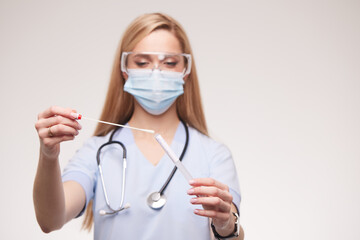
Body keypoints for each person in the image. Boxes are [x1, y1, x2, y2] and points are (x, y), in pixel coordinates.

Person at [33, 13, 244, 240]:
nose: (156, 72)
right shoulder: (98, 151)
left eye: (169, 63)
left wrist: (226, 224)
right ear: (124, 69)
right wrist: (48, 155)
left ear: (185, 71)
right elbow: (50, 219)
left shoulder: (213, 155)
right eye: (142, 62)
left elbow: (231, 234)